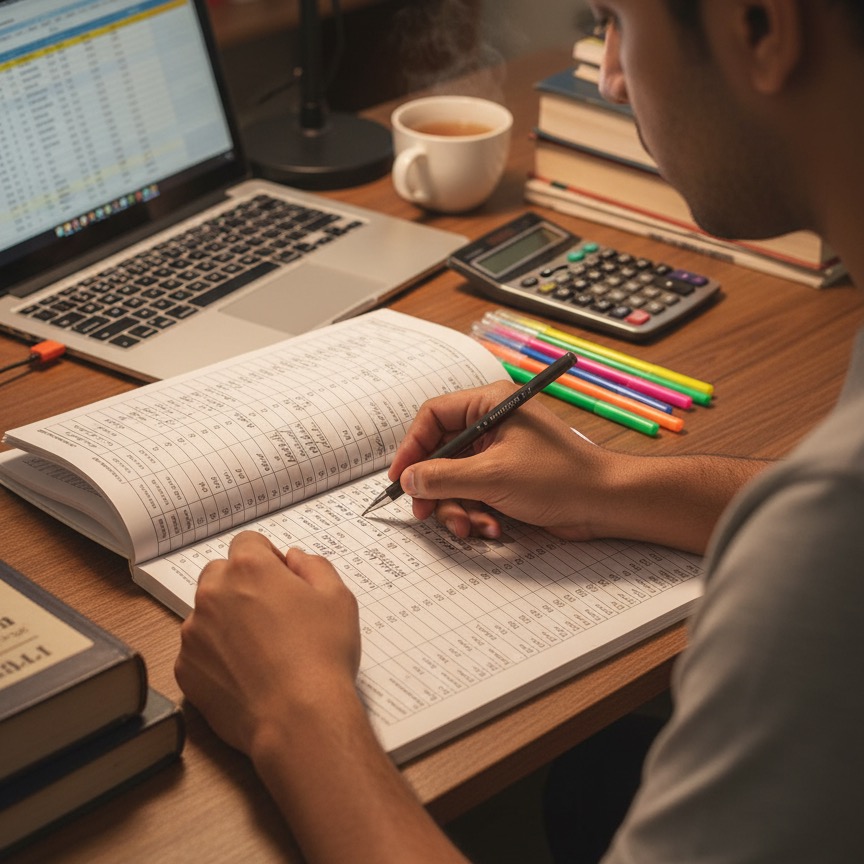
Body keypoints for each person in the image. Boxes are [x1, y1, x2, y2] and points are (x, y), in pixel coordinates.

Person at [174, 1, 864, 861]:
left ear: (760, 25)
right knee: (588, 784)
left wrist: (295, 713)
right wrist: (609, 486)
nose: (609, 75)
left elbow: (837, 528)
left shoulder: (822, 541)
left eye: (616, 21)